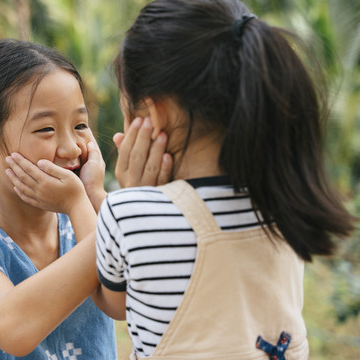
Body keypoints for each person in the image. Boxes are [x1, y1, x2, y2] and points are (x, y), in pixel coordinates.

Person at [89, 0, 357, 359]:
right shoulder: (284, 195)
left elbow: (115, 302)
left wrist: (121, 198)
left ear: (155, 112)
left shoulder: (128, 211)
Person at [0, 38, 172, 359]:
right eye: (46, 129)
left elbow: (121, 303)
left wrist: (92, 198)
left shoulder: (91, 211)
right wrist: (86, 207)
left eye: (80, 124)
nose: (70, 147)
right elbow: (13, 328)